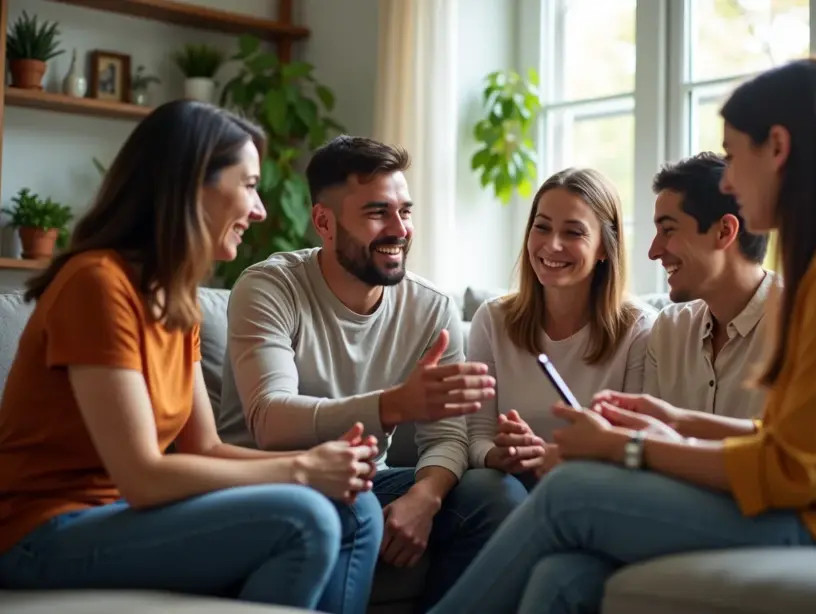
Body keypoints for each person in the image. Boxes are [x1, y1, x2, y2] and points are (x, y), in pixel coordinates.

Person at [424, 55, 816, 614]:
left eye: (734, 156)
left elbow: (788, 471)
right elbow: (792, 440)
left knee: (569, 494)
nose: (729, 180)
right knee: (567, 575)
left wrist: (628, 447)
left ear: (777, 148)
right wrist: (675, 421)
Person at [0, 100, 384, 614]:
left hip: (122, 515)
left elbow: (203, 446)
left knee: (358, 506)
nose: (261, 209)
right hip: (40, 531)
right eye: (249, 185)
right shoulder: (98, 284)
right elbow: (142, 474)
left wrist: (323, 467)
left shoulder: (175, 300)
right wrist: (300, 469)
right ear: (193, 185)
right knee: (303, 517)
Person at [216, 135, 527, 610]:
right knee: (354, 500)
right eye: (377, 212)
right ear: (324, 221)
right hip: (268, 478)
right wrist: (394, 405)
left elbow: (447, 437)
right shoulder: (270, 288)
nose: (399, 228)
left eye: (405, 211)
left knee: (494, 494)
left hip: (367, 478)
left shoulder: (430, 309)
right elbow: (270, 420)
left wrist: (425, 496)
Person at [466, 168, 653, 487]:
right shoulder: (492, 319)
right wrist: (498, 454)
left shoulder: (639, 328)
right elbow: (476, 436)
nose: (552, 245)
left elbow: (635, 447)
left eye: (573, 233)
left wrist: (551, 456)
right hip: (507, 486)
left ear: (605, 248)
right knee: (488, 488)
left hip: (590, 490)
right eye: (542, 227)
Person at [644, 152, 773, 420]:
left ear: (724, 231)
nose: (654, 252)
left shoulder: (801, 325)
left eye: (668, 230)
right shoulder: (669, 330)